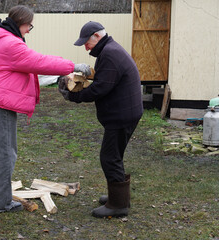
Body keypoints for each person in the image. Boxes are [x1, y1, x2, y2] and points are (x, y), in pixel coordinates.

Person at [0, 5, 91, 213]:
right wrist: (72, 66)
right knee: (5, 152)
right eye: (29, 25)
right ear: (21, 22)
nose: (29, 30)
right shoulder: (11, 43)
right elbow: (38, 61)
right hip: (0, 103)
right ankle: (0, 202)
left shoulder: (4, 39)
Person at [58, 21, 143, 218]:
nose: (85, 47)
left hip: (121, 115)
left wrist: (73, 96)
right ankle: (120, 197)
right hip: (124, 113)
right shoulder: (110, 51)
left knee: (109, 157)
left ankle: (118, 205)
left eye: (86, 42)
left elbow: (100, 89)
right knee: (115, 155)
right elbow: (104, 82)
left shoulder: (110, 54)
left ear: (97, 36)